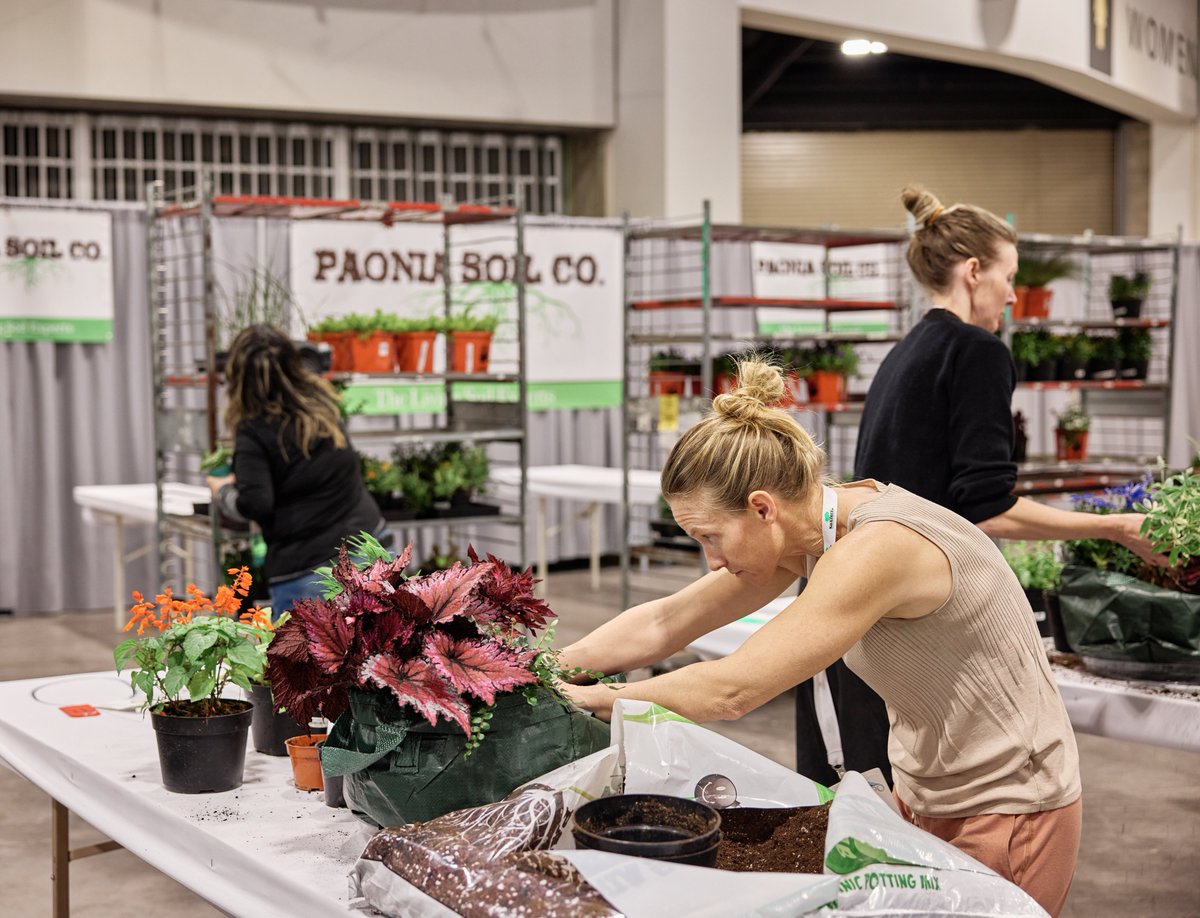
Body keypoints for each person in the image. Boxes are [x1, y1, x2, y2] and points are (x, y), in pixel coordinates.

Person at [560, 358, 1082, 916]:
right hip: (927, 790)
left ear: (762, 507)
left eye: (710, 537)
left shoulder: (877, 547)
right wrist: (548, 665)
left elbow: (733, 689)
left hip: (1011, 803)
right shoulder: (808, 533)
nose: (710, 562)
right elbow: (667, 621)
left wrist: (598, 698)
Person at [792, 184, 1163, 803]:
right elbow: (988, 503)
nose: (1015, 295)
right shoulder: (977, 351)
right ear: (972, 272)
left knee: (854, 794)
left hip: (857, 594)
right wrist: (1119, 527)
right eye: (1008, 276)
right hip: (886, 599)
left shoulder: (906, 351)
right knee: (872, 800)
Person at [206, 324, 389, 616]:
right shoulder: (319, 402)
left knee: (307, 659)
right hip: (369, 547)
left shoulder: (254, 429)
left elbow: (257, 503)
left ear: (238, 377)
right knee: (379, 653)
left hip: (309, 568)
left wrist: (223, 490)